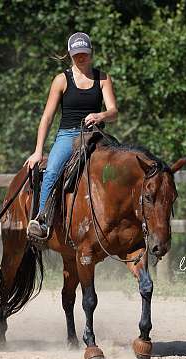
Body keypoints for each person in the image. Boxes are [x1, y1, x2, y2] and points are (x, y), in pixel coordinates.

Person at [25, 32, 118, 239]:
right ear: (70, 54)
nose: (81, 57)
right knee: (51, 172)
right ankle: (42, 219)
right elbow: (47, 118)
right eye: (77, 54)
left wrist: (100, 114)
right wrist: (38, 151)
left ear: (91, 53)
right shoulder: (61, 80)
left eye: (84, 53)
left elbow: (113, 112)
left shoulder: (103, 78)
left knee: (118, 167)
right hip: (68, 135)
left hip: (96, 134)